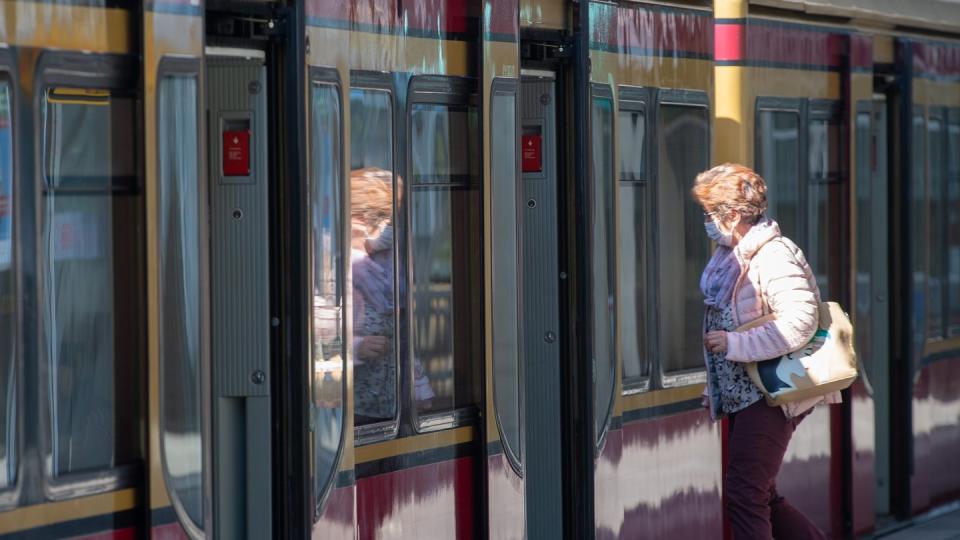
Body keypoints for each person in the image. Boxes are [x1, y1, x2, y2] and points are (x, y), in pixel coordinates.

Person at [691, 163, 840, 540]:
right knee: (761, 494)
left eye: (710, 214)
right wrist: (715, 388)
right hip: (745, 395)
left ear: (733, 215)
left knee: (745, 494)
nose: (706, 222)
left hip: (769, 394)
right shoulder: (732, 256)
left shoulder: (772, 255)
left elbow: (800, 319)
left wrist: (735, 344)